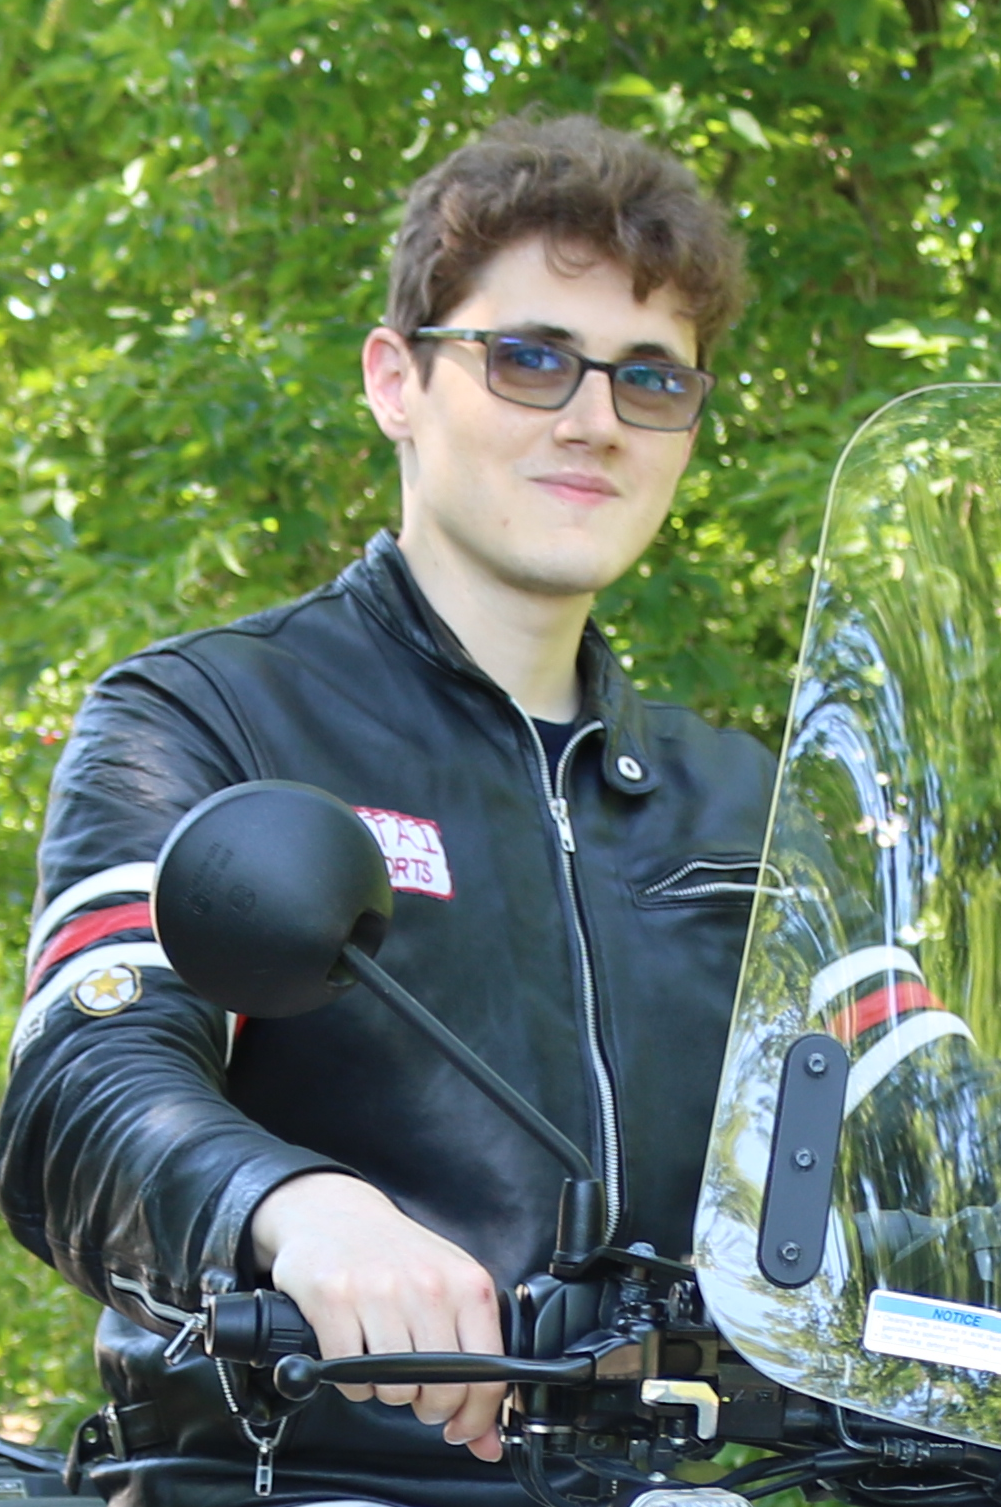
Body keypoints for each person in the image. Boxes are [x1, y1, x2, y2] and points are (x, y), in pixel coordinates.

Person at [0, 114, 775, 1507]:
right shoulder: (210, 719)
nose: (595, 418)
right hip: (295, 1477)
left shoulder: (754, 808)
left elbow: (925, 1147)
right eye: (531, 356)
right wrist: (300, 1212)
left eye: (651, 378)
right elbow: (81, 1088)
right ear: (396, 380)